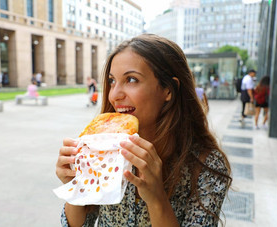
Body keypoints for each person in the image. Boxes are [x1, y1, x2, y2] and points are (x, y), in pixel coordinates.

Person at [56, 34, 232, 226]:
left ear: (168, 90)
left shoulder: (207, 164)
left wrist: (156, 198)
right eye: (112, 80)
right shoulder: (104, 150)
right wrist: (76, 187)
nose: (114, 95)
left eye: (131, 80)